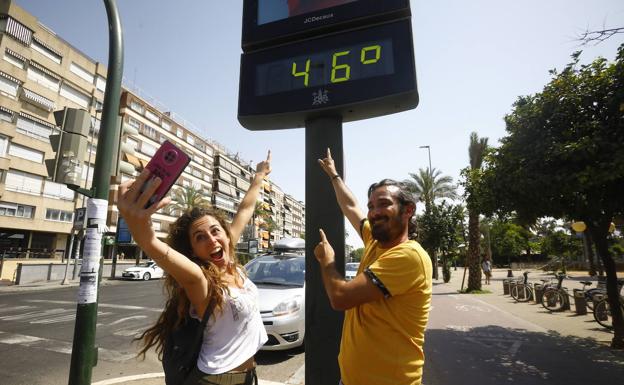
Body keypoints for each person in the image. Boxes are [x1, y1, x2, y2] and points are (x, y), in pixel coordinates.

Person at [117, 151, 272, 385]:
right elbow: (154, 245)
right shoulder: (200, 280)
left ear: (226, 234)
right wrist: (140, 229)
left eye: (215, 231)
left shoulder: (229, 260)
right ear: (192, 251)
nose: (212, 240)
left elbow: (245, 209)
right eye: (200, 237)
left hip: (248, 377)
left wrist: (259, 176)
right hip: (216, 381)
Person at [314, 148, 433, 385]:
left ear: (408, 210)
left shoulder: (409, 256)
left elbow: (340, 297)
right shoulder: (373, 242)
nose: (374, 212)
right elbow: (351, 206)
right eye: (372, 206)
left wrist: (327, 262)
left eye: (384, 204)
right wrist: (334, 175)